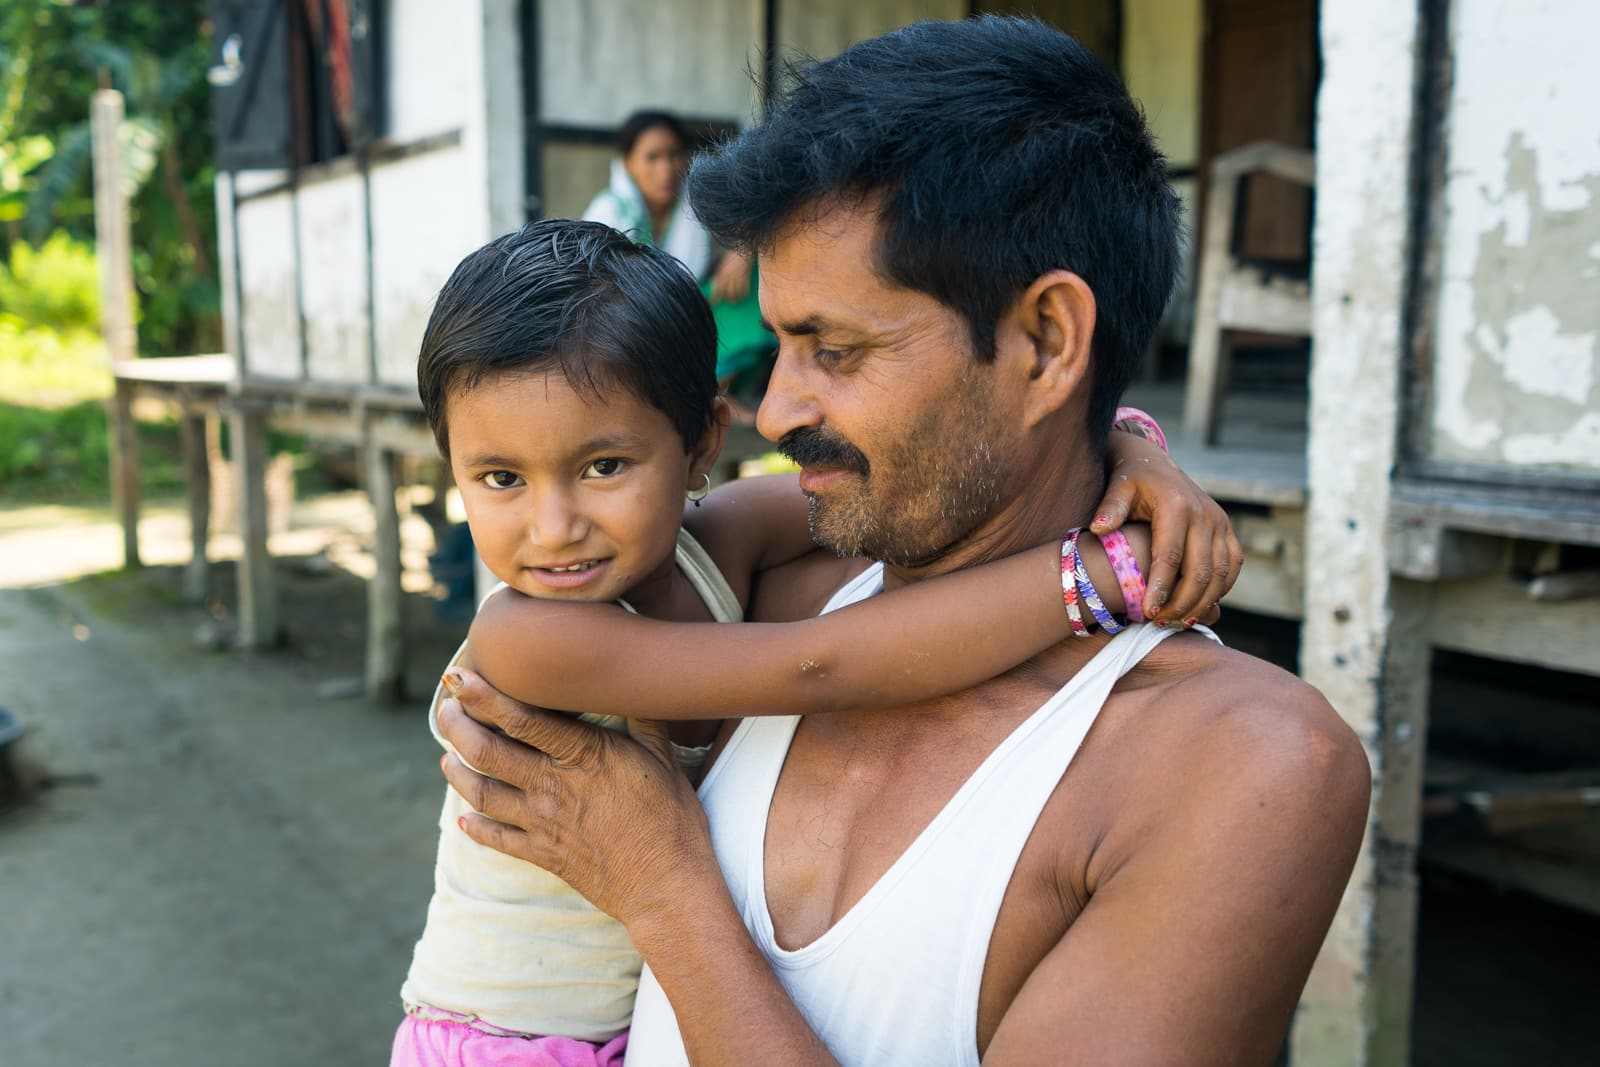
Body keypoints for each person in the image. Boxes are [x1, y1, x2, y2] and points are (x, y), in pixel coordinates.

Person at [436, 17, 1371, 1067]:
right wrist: (1125, 453)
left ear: (1046, 342)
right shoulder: (767, 599)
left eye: (833, 348)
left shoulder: (1234, 767)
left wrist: (666, 893)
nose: (779, 408)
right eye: (782, 343)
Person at [391, 217, 1239, 1067]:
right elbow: (825, 663)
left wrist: (1128, 447)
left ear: (701, 448)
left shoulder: (715, 543)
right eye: (500, 478)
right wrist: (1100, 574)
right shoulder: (525, 636)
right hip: (499, 1043)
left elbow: (892, 494)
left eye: (604, 466)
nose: (553, 525)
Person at [582, 111, 771, 404]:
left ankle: (712, 394)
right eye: (652, 157)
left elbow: (750, 218)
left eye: (674, 155)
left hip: (693, 311)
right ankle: (693, 399)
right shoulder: (607, 213)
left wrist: (741, 252)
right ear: (627, 163)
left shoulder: (695, 201)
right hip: (634, 329)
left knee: (758, 276)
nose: (666, 169)